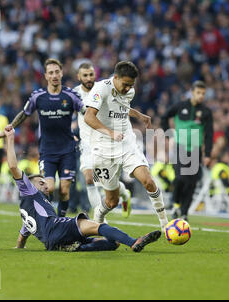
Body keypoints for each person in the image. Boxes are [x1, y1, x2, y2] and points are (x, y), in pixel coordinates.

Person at [3, 126, 161, 252]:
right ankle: (134, 242)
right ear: (29, 185)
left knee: (113, 244)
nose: (45, 184)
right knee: (97, 226)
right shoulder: (29, 191)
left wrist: (19, 247)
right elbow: (12, 166)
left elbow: (23, 234)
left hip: (51, 242)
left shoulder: (29, 210)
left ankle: (78, 247)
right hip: (57, 227)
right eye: (40, 182)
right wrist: (10, 139)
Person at [83, 61, 169, 231]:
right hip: (103, 148)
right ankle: (99, 216)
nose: (128, 89)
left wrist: (140, 115)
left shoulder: (129, 91)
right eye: (125, 84)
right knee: (111, 201)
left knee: (148, 181)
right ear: (115, 77)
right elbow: (88, 117)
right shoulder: (101, 89)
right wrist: (110, 132)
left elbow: (123, 107)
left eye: (131, 85)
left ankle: (165, 224)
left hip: (127, 144)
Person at [0, 58, 83, 217]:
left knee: (64, 189)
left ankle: (59, 222)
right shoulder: (38, 96)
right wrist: (9, 128)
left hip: (68, 150)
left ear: (61, 73)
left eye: (57, 72)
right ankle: (47, 220)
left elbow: (87, 114)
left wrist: (85, 134)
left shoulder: (71, 96)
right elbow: (24, 114)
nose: (54, 75)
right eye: (51, 73)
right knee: (48, 188)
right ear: (46, 76)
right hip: (47, 151)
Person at [74, 62, 132, 218]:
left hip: (105, 142)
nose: (88, 78)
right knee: (88, 179)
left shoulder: (105, 90)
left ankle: (125, 194)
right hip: (87, 143)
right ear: (78, 77)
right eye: (85, 75)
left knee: (108, 183)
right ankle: (101, 222)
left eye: (91, 74)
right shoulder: (74, 94)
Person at [161, 80, 213, 222]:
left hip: (196, 151)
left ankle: (184, 212)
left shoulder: (206, 112)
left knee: (192, 183)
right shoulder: (180, 106)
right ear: (192, 92)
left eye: (203, 93)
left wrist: (207, 154)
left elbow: (209, 134)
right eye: (198, 93)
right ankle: (175, 203)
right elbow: (164, 116)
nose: (201, 96)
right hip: (180, 147)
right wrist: (168, 134)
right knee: (180, 178)